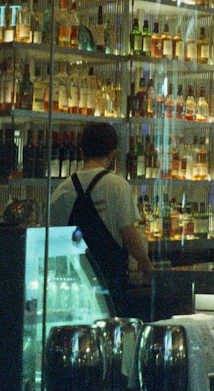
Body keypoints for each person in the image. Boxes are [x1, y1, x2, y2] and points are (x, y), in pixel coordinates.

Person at [49, 121, 153, 306]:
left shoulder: (62, 190)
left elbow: (54, 241)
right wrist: (147, 265)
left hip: (73, 286)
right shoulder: (117, 186)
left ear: (82, 151)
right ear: (112, 152)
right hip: (110, 282)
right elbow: (129, 236)